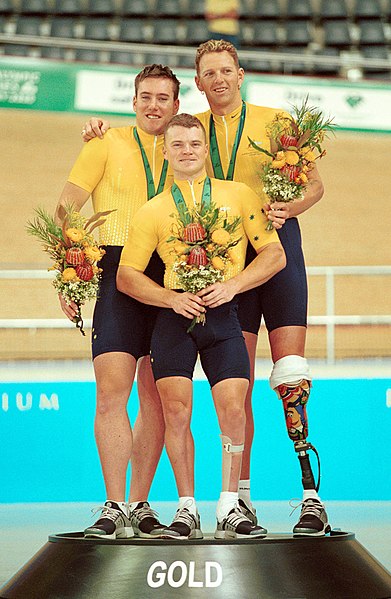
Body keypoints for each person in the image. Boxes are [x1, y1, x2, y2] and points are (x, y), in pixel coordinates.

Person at [81, 40, 331, 537]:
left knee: (290, 378)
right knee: (235, 389)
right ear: (198, 83)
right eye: (208, 72)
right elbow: (152, 134)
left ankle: (310, 496)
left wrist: (290, 210)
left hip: (276, 252)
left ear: (241, 74)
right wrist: (96, 132)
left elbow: (314, 185)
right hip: (222, 265)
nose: (218, 79)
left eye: (226, 70)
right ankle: (239, 500)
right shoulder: (189, 127)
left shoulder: (278, 121)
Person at [116, 113, 286, 540]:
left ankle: (230, 506)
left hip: (225, 317)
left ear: (205, 148)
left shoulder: (240, 195)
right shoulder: (152, 211)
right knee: (175, 412)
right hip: (173, 321)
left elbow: (274, 255)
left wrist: (233, 286)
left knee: (232, 410)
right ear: (167, 151)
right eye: (178, 145)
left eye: (194, 143)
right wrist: (170, 297)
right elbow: (126, 275)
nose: (187, 151)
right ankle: (187, 508)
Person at [54, 64, 181, 539]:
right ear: (132, 102)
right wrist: (70, 281)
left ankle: (140, 504)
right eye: (145, 97)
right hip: (114, 269)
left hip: (170, 273)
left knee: (155, 396)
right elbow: (65, 210)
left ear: (176, 105)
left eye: (162, 98)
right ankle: (112, 506)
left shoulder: (188, 146)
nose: (153, 106)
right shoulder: (104, 143)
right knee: (111, 394)